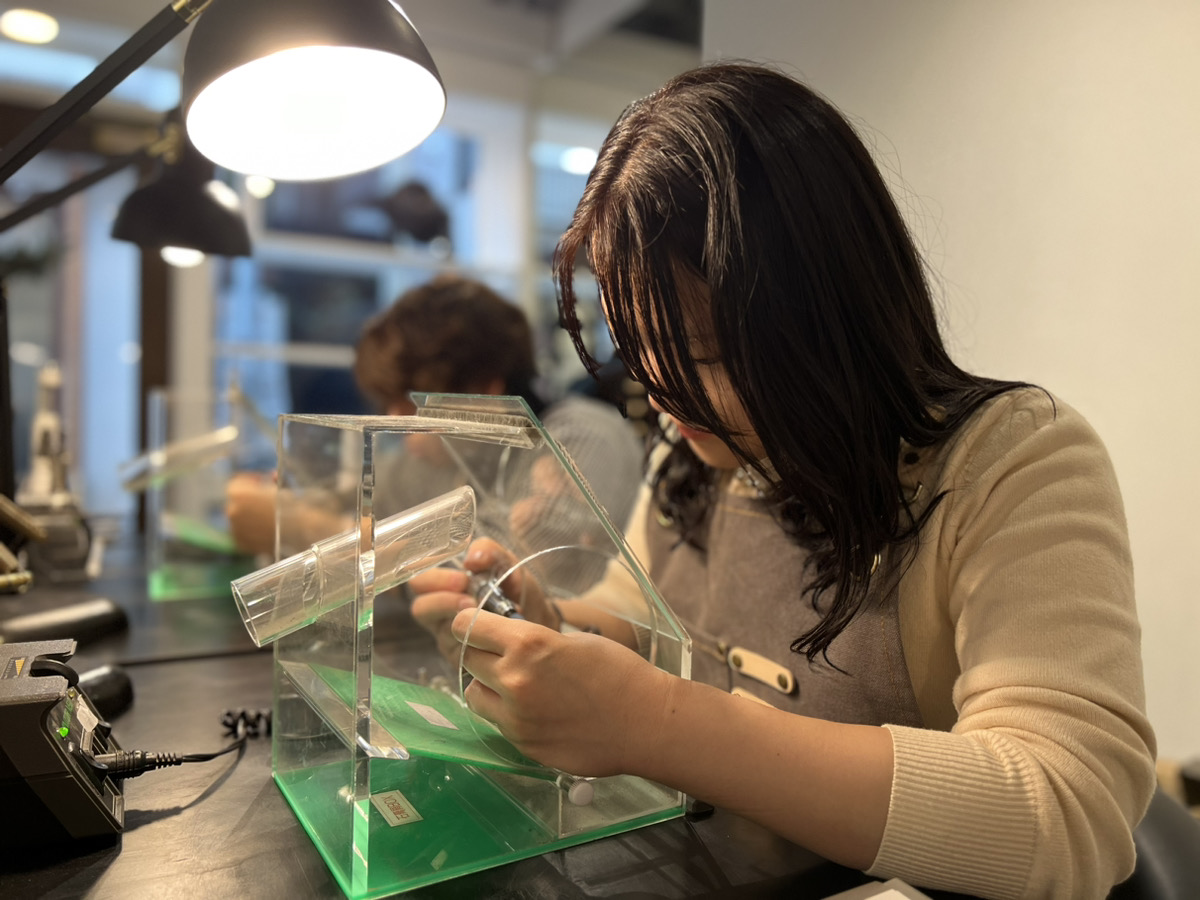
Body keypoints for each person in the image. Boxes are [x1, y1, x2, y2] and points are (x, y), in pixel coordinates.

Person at [407, 62, 1157, 899]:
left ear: (832, 308)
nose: (664, 395)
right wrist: (547, 631)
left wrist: (661, 725)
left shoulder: (1012, 461)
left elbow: (1070, 813)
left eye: (700, 352)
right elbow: (641, 615)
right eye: (637, 347)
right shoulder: (697, 453)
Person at [226, 274, 646, 572]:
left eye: (412, 406)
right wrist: (291, 503)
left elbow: (504, 574)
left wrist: (308, 528)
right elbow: (360, 508)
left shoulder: (583, 436)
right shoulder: (429, 463)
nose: (397, 426)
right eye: (389, 406)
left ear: (486, 389)